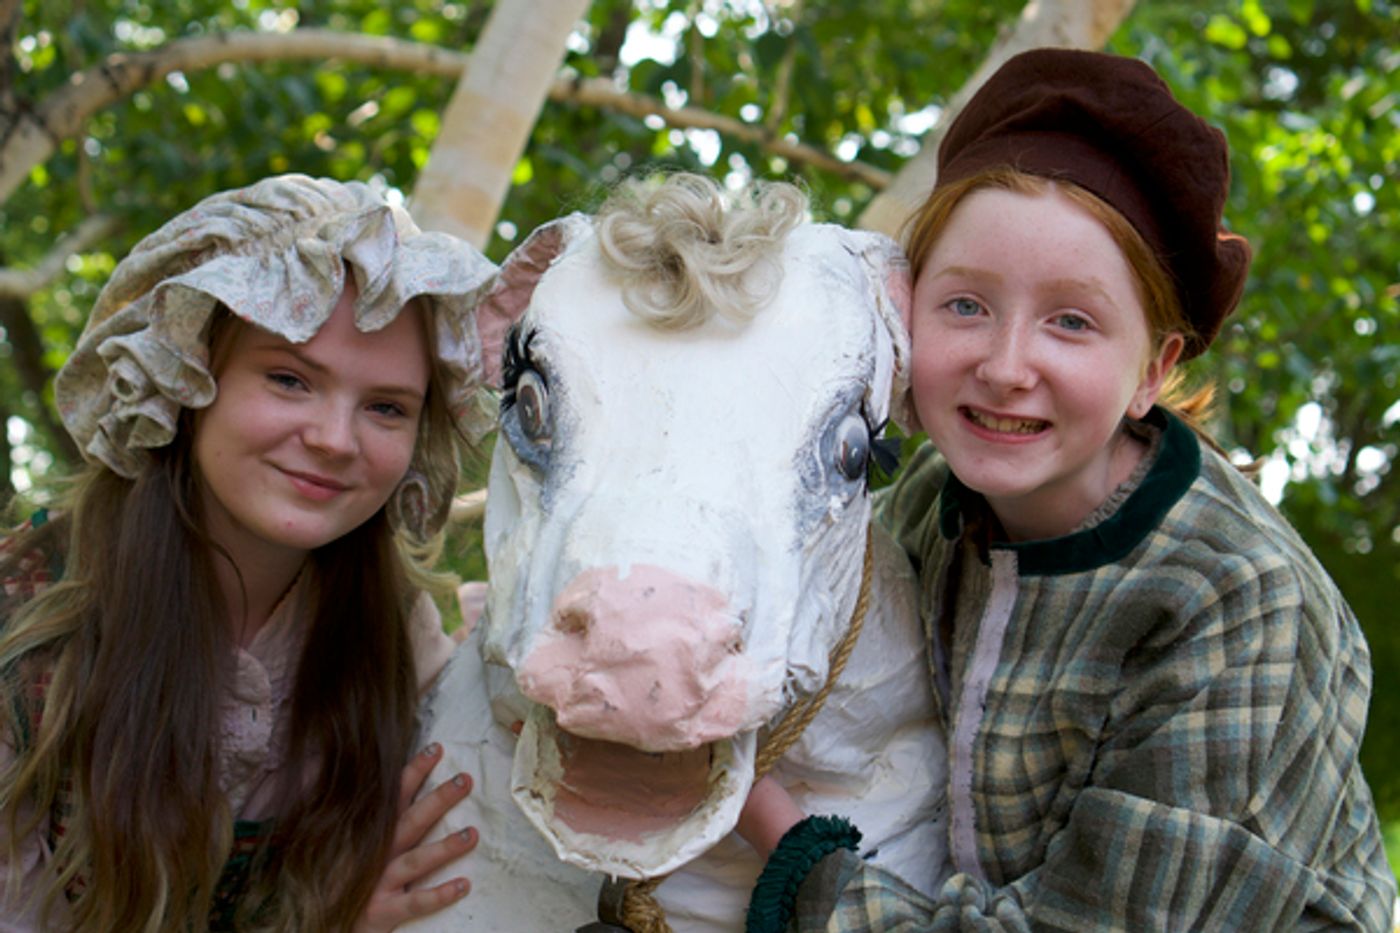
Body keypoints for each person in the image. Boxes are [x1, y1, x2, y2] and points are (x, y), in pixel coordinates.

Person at [738, 48, 1397, 931]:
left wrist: (765, 817)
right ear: (904, 316)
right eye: (965, 304)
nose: (1006, 367)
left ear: (1152, 371)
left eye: (1072, 321)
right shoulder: (927, 498)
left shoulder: (1232, 600)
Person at [0, 175, 500, 931]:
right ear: (188, 373)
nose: (335, 438)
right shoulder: (24, 622)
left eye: (387, 407)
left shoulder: (395, 639)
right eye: (290, 379)